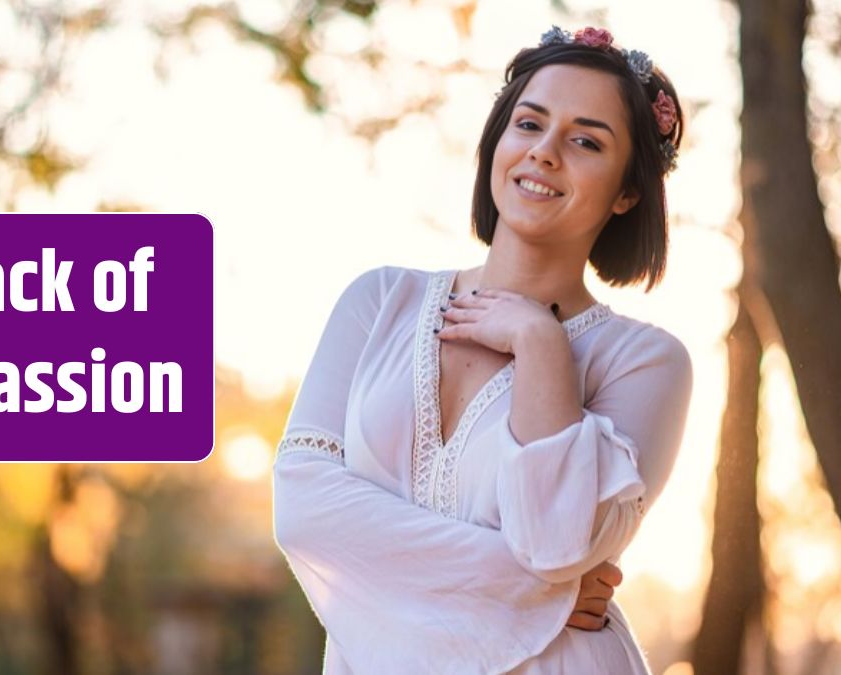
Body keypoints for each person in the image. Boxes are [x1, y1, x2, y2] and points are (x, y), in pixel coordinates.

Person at [272, 26, 693, 674]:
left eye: (586, 140)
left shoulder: (646, 361)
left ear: (627, 191)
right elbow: (305, 513)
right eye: (529, 123)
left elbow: (553, 544)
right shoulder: (378, 302)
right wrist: (538, 592)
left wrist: (541, 344)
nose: (545, 152)